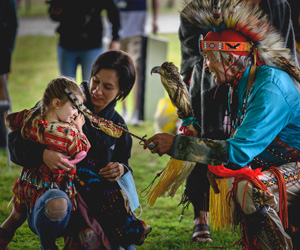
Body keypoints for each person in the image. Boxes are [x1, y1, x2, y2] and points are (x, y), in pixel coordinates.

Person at [144, 0, 300, 249]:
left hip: (294, 166)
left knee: (250, 189)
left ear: (229, 57)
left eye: (208, 58)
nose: (205, 66)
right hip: (281, 164)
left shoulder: (269, 87)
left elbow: (236, 153)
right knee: (237, 184)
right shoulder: (239, 84)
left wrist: (178, 144)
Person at [7, 50, 151, 250]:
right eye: (95, 80)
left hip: (97, 204)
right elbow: (15, 142)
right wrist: (42, 154)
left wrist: (121, 169)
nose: (97, 91)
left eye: (108, 87)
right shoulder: (63, 100)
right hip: (54, 196)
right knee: (59, 207)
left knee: (122, 246)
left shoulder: (117, 126)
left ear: (122, 91)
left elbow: (124, 163)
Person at [0, 77, 90, 250]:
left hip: (28, 183)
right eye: (74, 107)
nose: (76, 114)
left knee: (17, 215)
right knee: (72, 214)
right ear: (56, 103)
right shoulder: (65, 133)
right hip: (52, 186)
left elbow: (11, 120)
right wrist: (79, 128)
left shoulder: (32, 118)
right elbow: (82, 149)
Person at [46, 0, 121, 82]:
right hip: (67, 44)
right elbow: (54, 14)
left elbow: (113, 13)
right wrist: (55, 12)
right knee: (66, 86)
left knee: (91, 85)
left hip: (92, 45)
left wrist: (115, 38)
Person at [116, 0, 159, 126]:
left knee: (135, 71)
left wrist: (155, 20)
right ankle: (124, 111)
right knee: (118, 70)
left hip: (136, 31)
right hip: (116, 30)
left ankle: (136, 112)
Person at [0, 0, 18, 150]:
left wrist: (7, 50)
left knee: (2, 94)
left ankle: (4, 136)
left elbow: (13, 24)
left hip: (2, 53)